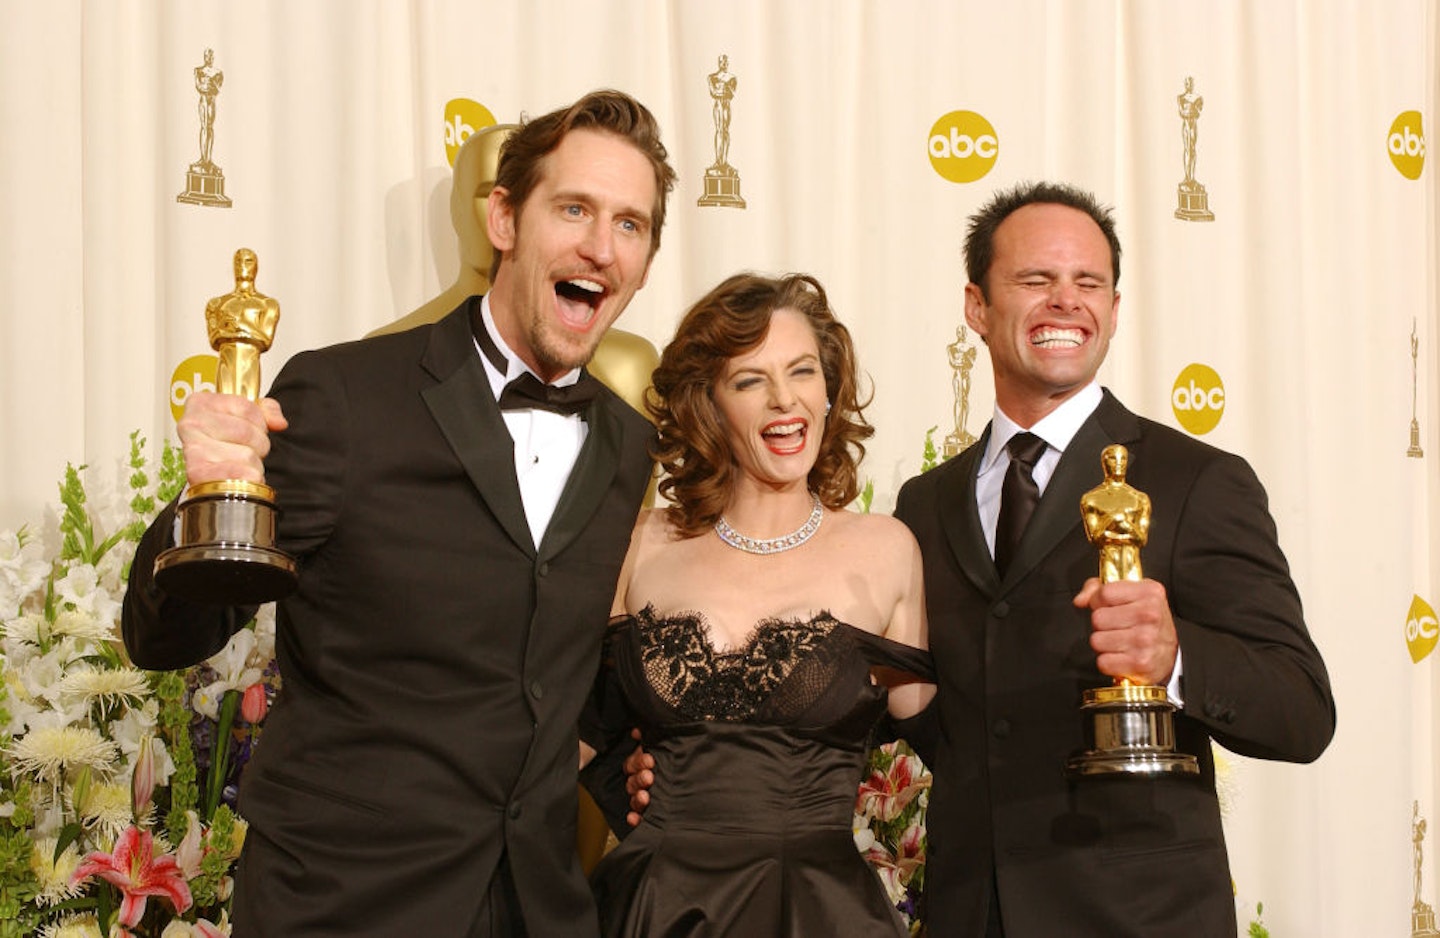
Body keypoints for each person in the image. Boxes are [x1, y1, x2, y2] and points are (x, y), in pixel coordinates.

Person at [122, 89, 677, 937]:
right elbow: (163, 638)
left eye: (631, 225)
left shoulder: (631, 447)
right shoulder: (346, 399)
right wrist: (206, 493)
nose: (601, 247)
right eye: (574, 209)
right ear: (503, 220)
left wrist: (634, 771)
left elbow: (556, 675)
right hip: (345, 907)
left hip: (538, 909)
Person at [891, 181, 1335, 936]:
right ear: (976, 306)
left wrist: (1176, 658)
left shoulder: (1197, 480)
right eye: (1035, 280)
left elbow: (1301, 711)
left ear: (1115, 311)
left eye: (1088, 283)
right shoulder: (923, 504)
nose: (1066, 301)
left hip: (1137, 919)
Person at [581, 272, 935, 937]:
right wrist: (619, 784)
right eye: (749, 381)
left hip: (817, 914)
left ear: (829, 391)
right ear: (708, 405)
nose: (784, 401)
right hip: (653, 909)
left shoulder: (887, 551)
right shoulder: (644, 543)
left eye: (802, 372)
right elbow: (565, 725)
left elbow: (947, 734)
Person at [204, 247, 280, 400]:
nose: (242, 265)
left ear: (255, 267)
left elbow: (265, 339)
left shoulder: (267, 304)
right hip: (226, 361)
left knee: (248, 409)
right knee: (223, 408)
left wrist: (239, 328)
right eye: (238, 261)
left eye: (248, 261)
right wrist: (225, 330)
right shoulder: (218, 303)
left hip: (250, 361)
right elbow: (213, 339)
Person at [193, 48, 223, 167]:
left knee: (210, 127)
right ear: (204, 57)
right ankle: (203, 158)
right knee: (204, 127)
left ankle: (208, 159)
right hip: (204, 100)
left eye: (211, 56)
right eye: (207, 56)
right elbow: (199, 87)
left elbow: (217, 89)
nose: (209, 58)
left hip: (211, 101)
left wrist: (210, 85)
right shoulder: (199, 71)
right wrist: (208, 86)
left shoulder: (218, 72)